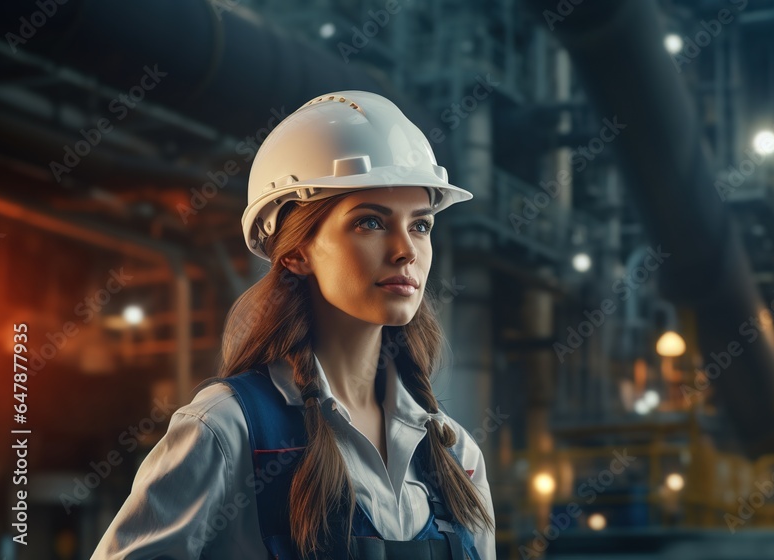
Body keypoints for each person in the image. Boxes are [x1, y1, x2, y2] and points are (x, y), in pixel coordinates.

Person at [93, 91, 494, 559]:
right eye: (370, 222)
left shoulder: (454, 456)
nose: (406, 249)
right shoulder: (227, 432)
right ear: (297, 253)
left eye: (421, 225)